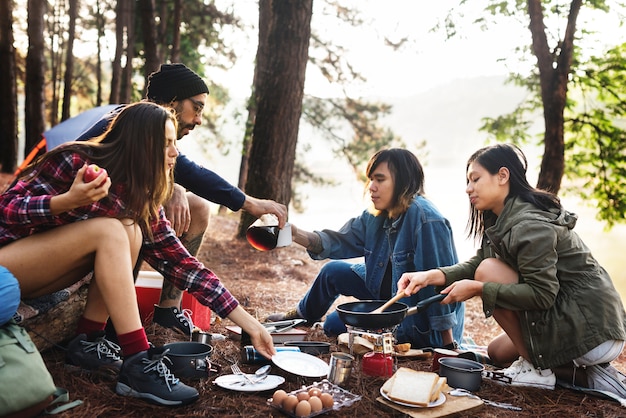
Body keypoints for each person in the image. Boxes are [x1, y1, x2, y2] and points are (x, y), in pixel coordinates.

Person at [0, 102, 276, 406]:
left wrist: (248, 322)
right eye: (167, 143)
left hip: (39, 275)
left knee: (130, 228)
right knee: (110, 231)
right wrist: (65, 202)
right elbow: (5, 210)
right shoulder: (76, 160)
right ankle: (137, 362)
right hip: (7, 265)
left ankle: (87, 343)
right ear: (141, 144)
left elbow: (182, 264)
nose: (175, 153)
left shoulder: (140, 196)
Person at [398, 143, 626, 396]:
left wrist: (478, 288)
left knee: (488, 272)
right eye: (467, 181)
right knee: (497, 352)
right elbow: (477, 262)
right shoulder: (503, 217)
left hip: (591, 328)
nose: (468, 188)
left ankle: (540, 371)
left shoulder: (528, 224)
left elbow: (541, 295)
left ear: (503, 176)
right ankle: (588, 376)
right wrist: (429, 276)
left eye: (475, 179)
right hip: (577, 319)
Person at [77, 63, 288, 335]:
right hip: (82, 225)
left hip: (107, 216)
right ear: (173, 102)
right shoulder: (128, 125)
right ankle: (110, 321)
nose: (199, 119)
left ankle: (168, 311)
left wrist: (171, 185)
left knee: (197, 207)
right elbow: (187, 173)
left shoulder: (150, 129)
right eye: (197, 107)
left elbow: (183, 171)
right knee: (135, 218)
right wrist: (250, 204)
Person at [267, 148, 465, 349]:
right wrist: (295, 233)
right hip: (383, 291)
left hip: (416, 322)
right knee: (332, 270)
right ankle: (301, 317)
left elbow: (440, 286)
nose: (371, 187)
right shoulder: (375, 215)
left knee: (334, 324)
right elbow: (337, 241)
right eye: (371, 179)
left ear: (403, 182)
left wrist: (446, 345)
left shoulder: (426, 219)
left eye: (380, 180)